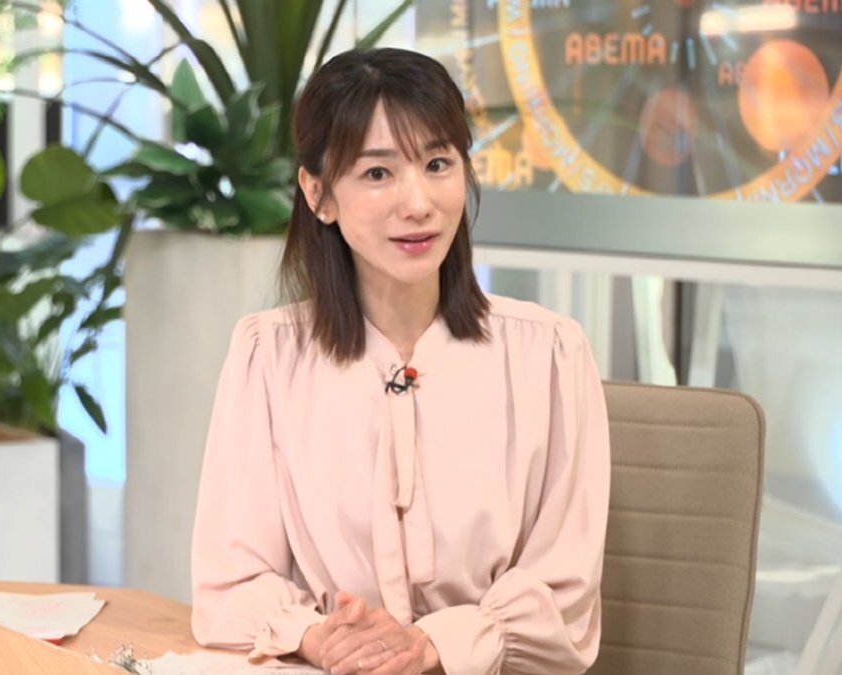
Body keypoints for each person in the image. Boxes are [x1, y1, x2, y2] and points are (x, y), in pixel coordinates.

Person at [189, 47, 610, 675]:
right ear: (318, 194)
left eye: (438, 164)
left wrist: (437, 646)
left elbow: (565, 592)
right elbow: (230, 582)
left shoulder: (549, 355)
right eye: (378, 173)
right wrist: (320, 637)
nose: (418, 203)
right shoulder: (267, 356)